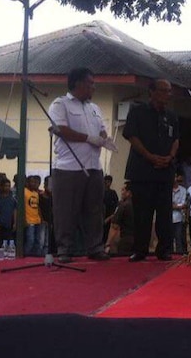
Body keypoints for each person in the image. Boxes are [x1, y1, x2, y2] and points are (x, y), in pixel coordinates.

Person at [48, 67, 117, 264]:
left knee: (95, 209)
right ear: (78, 83)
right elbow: (60, 129)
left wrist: (105, 139)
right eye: (90, 83)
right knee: (66, 210)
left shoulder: (94, 108)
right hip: (69, 167)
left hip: (94, 166)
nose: (93, 87)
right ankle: (64, 249)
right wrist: (89, 138)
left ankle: (95, 247)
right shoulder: (60, 104)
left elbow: (102, 130)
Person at [123, 78, 180, 262]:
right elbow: (131, 136)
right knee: (142, 212)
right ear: (152, 92)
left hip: (165, 170)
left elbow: (176, 140)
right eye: (164, 90)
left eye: (169, 91)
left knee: (164, 212)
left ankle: (164, 249)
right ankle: (140, 249)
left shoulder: (171, 115)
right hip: (142, 170)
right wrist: (149, 156)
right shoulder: (137, 112)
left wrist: (170, 157)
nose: (168, 94)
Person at [105, 184, 135, 256]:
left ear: (129, 192)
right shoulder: (141, 205)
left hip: (126, 240)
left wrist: (108, 244)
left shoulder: (123, 206)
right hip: (140, 241)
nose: (121, 192)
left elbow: (114, 226)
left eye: (123, 190)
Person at [23, 175, 43, 256]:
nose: (34, 184)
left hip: (37, 220)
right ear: (27, 183)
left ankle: (36, 257)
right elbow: (22, 206)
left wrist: (41, 218)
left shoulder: (36, 193)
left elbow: (37, 207)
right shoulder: (24, 191)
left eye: (35, 182)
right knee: (30, 240)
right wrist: (24, 219)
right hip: (29, 220)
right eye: (32, 182)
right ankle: (26, 255)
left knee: (38, 241)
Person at [172, 173, 189, 254]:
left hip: (179, 218)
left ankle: (179, 255)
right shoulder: (167, 190)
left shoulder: (183, 190)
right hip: (169, 218)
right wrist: (177, 206)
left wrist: (175, 206)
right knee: (169, 239)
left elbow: (184, 204)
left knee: (179, 238)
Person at [103, 175, 119, 244]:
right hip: (101, 217)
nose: (108, 183)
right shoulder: (101, 192)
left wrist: (112, 215)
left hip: (110, 217)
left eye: (110, 182)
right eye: (107, 181)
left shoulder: (113, 193)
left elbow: (117, 204)